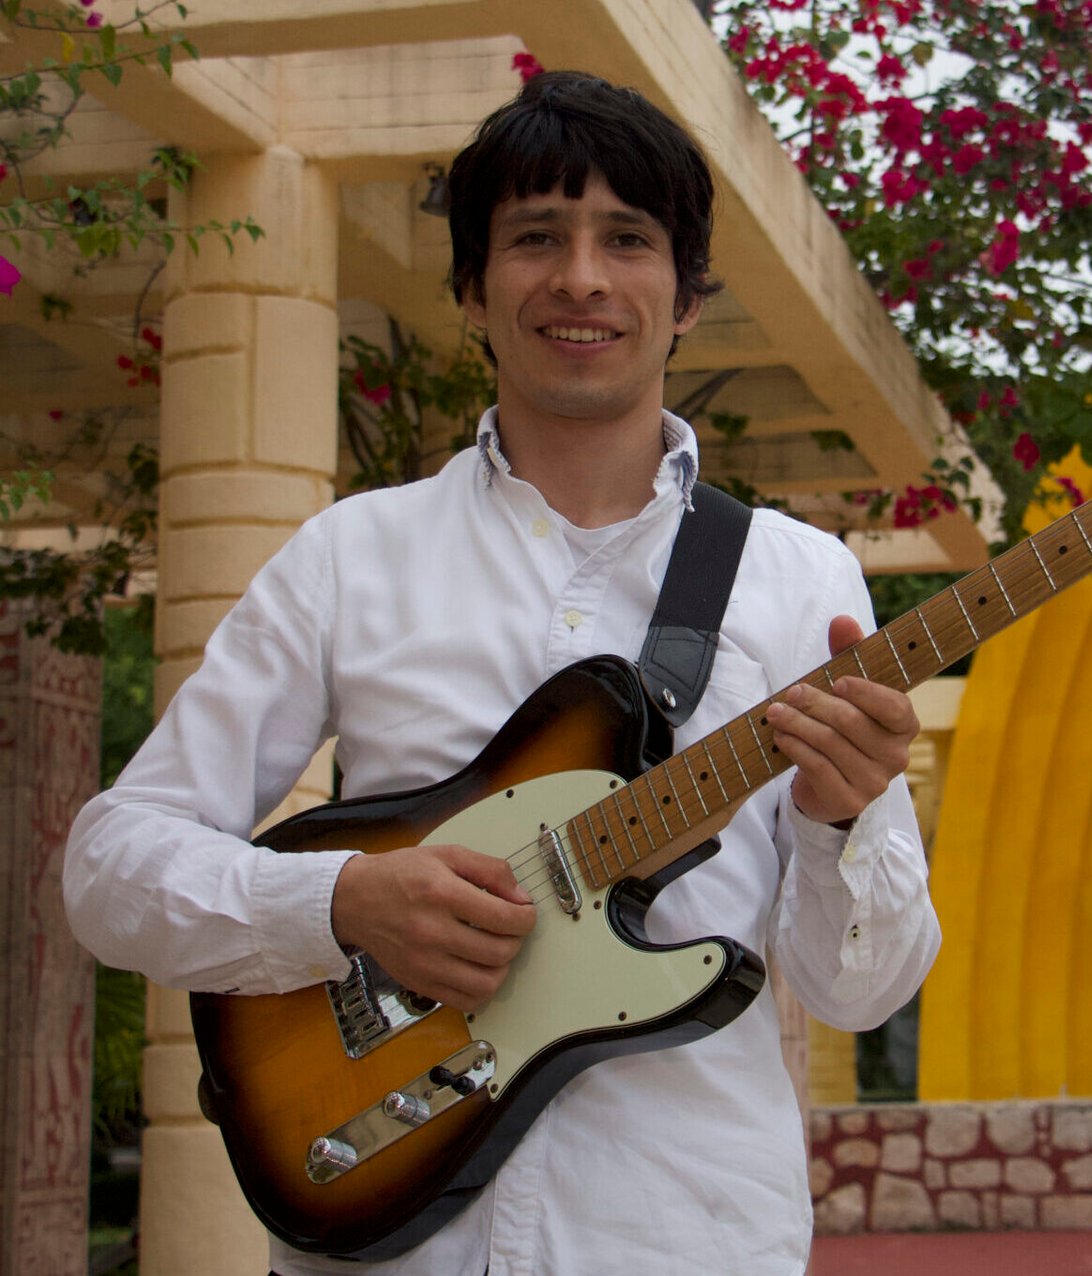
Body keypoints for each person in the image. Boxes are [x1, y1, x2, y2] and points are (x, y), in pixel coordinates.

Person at [63, 70, 940, 1276]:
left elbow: (862, 992)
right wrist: (337, 909)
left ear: (687, 295)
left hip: (683, 1238)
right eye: (537, 237)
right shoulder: (349, 556)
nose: (580, 277)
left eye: (626, 239)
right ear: (474, 289)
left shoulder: (801, 583)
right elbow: (110, 868)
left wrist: (843, 820)